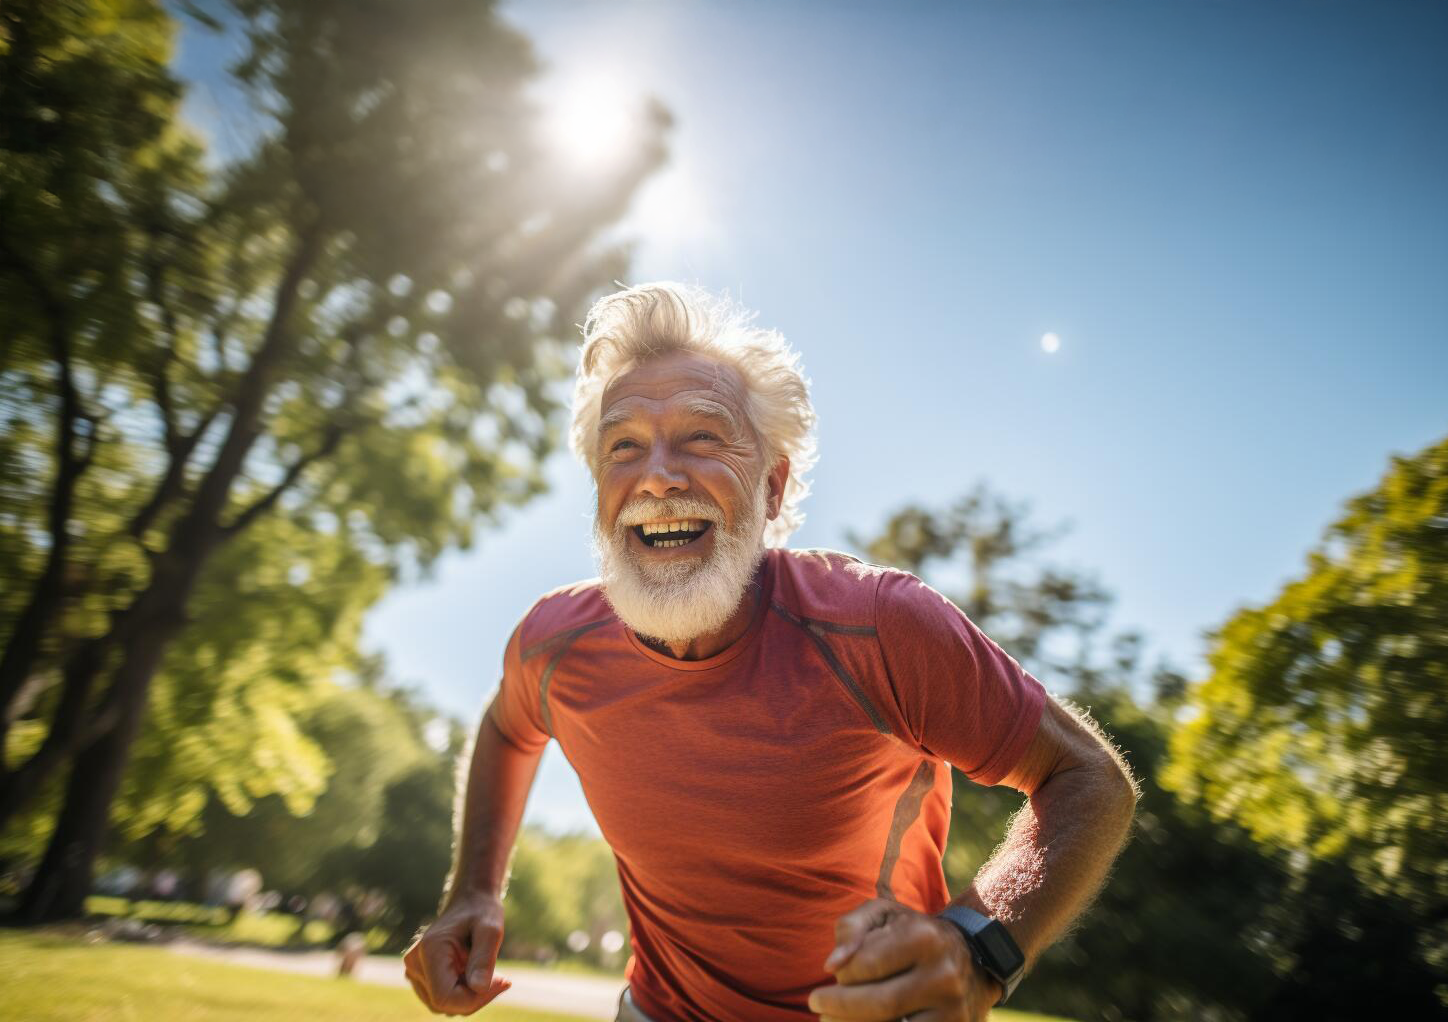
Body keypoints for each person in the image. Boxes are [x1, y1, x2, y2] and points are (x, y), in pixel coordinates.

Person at [403, 282, 1138, 1021]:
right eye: (622, 446)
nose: (656, 476)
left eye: (701, 437)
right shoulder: (553, 644)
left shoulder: (879, 627)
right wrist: (473, 891)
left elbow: (1089, 778)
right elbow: (508, 728)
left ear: (773, 488)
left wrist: (978, 947)